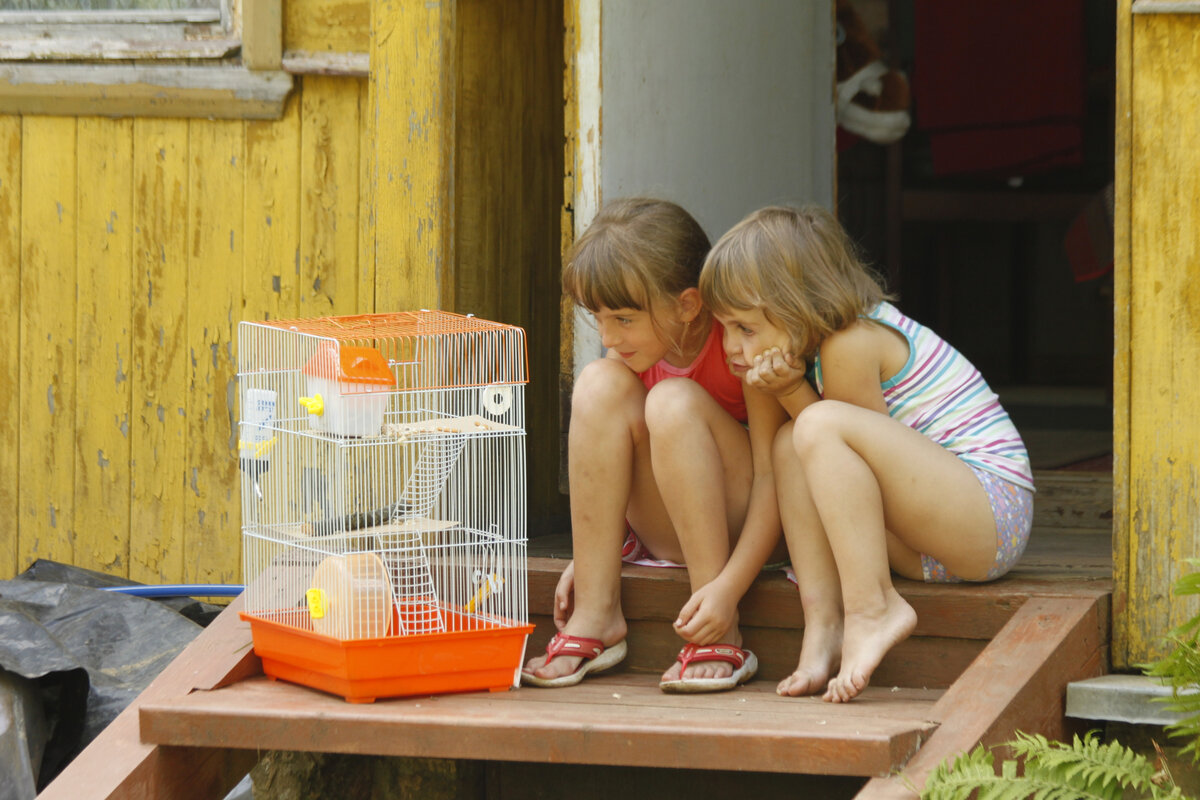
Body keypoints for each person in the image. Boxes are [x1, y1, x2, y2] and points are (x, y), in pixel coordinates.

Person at [699, 204, 1034, 703]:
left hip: (988, 517)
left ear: (800, 307)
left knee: (811, 426)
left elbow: (841, 443)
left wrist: (792, 393)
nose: (730, 346)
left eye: (745, 328)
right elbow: (797, 468)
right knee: (790, 444)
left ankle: (873, 608)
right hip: (921, 548)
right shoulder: (777, 361)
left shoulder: (851, 342)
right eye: (724, 327)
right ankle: (825, 624)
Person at [521, 198, 789, 693]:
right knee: (598, 382)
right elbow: (617, 459)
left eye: (622, 319)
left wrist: (728, 591)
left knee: (670, 401)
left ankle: (719, 623)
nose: (607, 336)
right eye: (596, 318)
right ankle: (597, 611)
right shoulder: (633, 352)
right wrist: (595, 551)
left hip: (748, 529)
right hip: (669, 531)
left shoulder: (740, 343)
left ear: (687, 305)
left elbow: (777, 474)